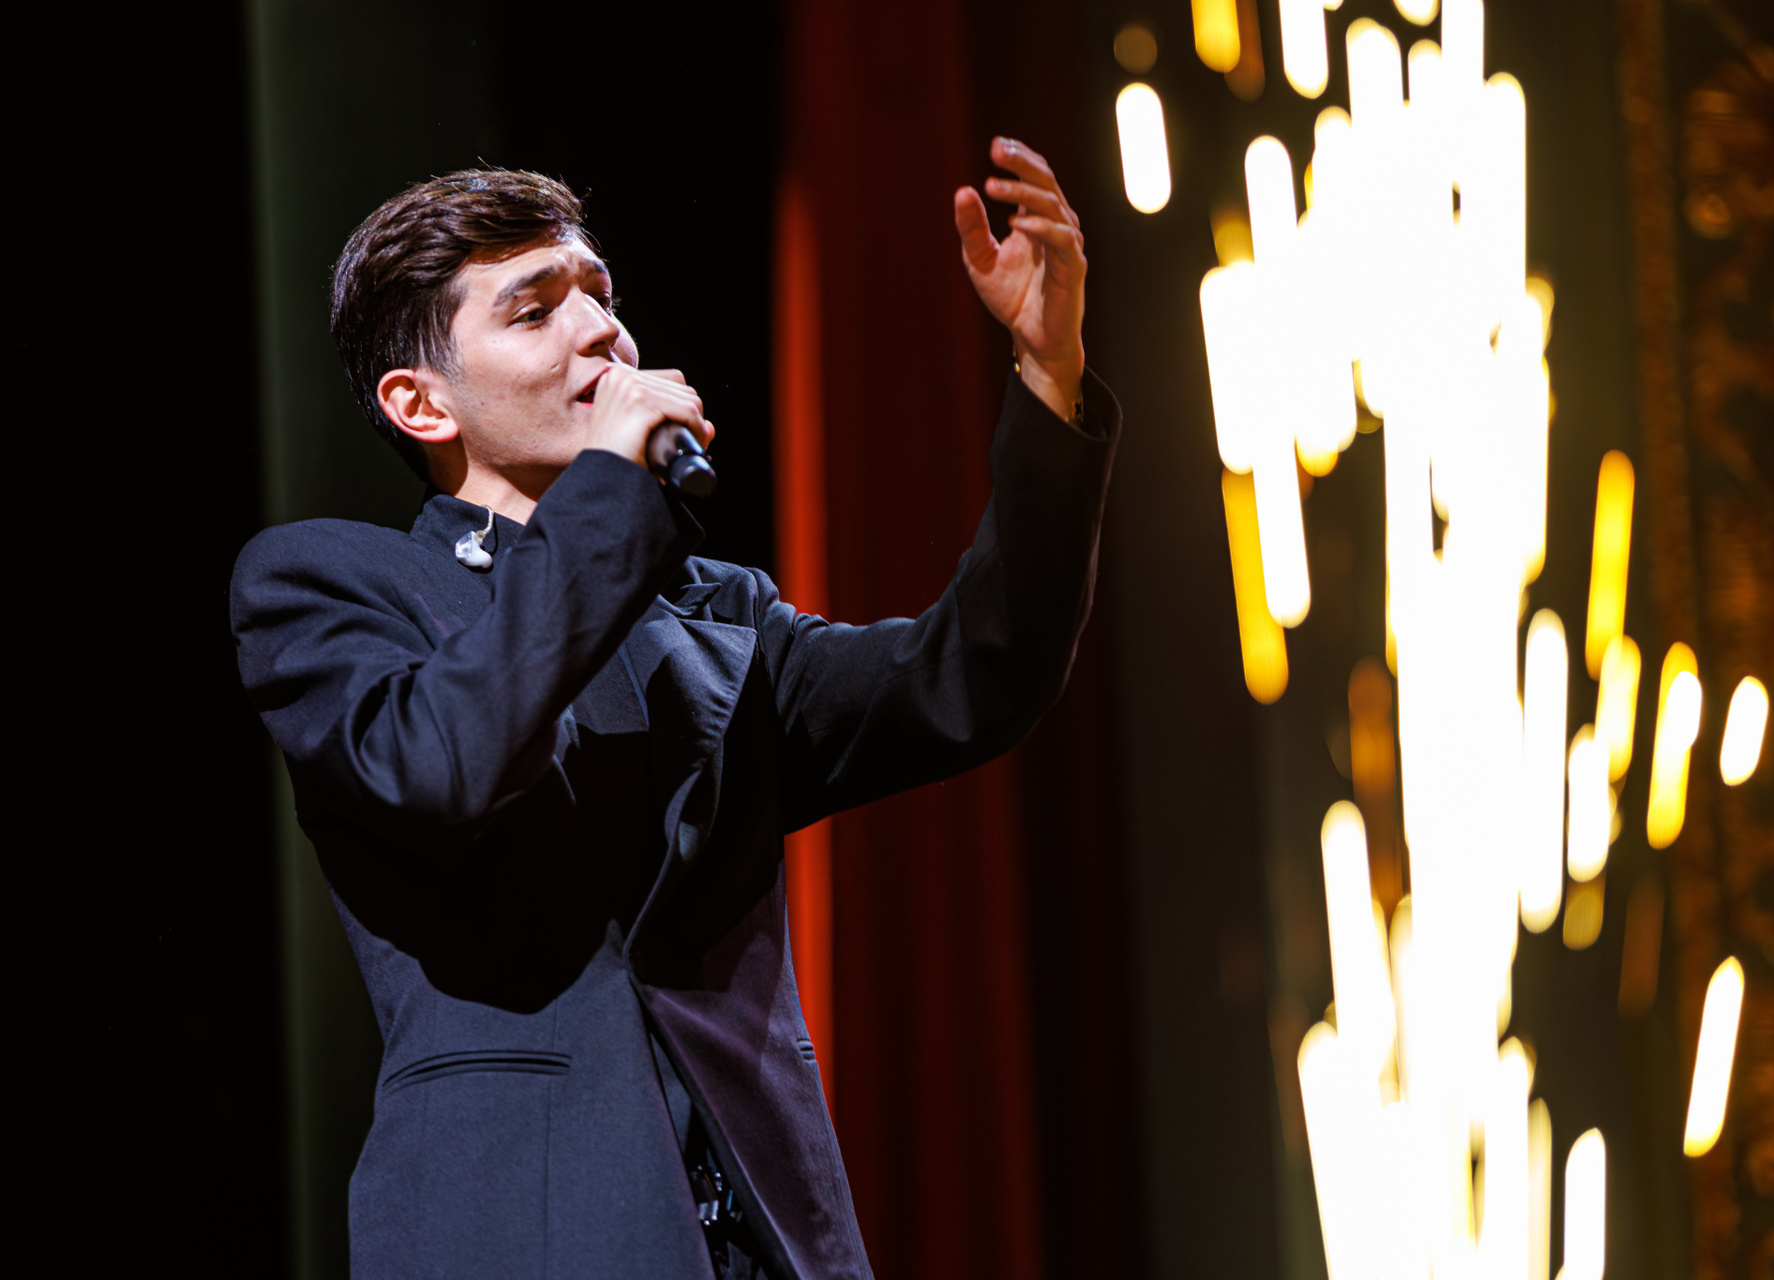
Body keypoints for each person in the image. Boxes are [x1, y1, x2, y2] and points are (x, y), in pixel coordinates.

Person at [230, 138, 1117, 1280]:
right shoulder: (332, 583)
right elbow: (438, 763)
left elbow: (973, 675)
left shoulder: (710, 613)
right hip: (519, 1231)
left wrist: (1050, 371)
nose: (600, 331)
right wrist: (611, 486)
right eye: (535, 310)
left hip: (763, 1235)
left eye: (600, 296)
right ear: (421, 403)